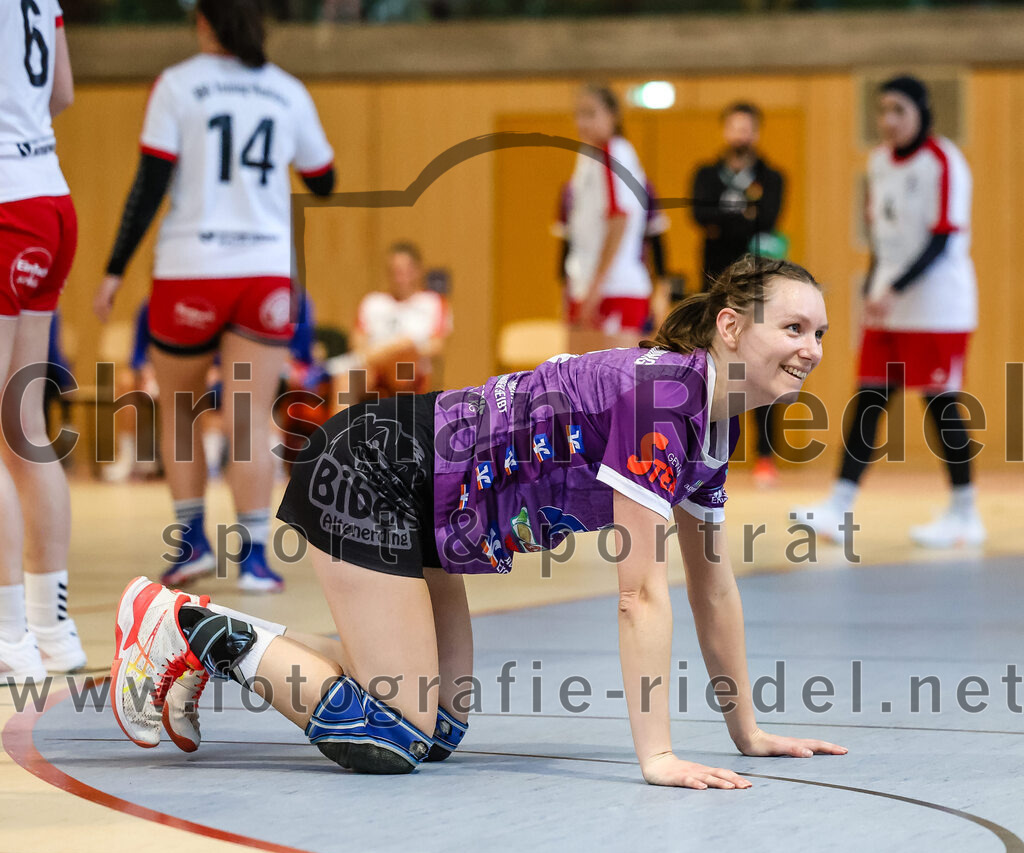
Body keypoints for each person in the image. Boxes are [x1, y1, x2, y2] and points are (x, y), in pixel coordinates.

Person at [112, 255, 847, 788]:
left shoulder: (710, 424)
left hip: (431, 509)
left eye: (818, 331)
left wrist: (744, 730)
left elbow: (711, 588)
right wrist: (656, 755)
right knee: (394, 733)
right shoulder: (664, 398)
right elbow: (641, 593)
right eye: (792, 326)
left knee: (440, 728)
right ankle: (183, 624)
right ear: (729, 326)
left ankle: (202, 636)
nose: (811, 348)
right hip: (377, 468)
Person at [93, 0, 336, 592]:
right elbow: (324, 180)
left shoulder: (177, 84)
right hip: (263, 269)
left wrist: (115, 267)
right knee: (250, 414)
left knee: (179, 407)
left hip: (191, 266)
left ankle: (191, 543)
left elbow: (149, 182)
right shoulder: (287, 90)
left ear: (203, 22)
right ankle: (255, 558)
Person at [793, 76, 984, 549]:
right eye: (882, 111)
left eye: (899, 110)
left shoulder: (943, 161)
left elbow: (943, 238)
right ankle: (839, 505)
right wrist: (877, 288)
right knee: (869, 398)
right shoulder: (878, 163)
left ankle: (965, 512)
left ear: (922, 112)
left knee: (940, 403)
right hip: (886, 305)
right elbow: (882, 238)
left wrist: (894, 286)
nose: (889, 121)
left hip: (937, 305)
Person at [0, 0, 87, 683]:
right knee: (22, 422)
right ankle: (52, 630)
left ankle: (8, 634)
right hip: (51, 200)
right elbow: (62, 92)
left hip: (5, 203)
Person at [691, 103, 786, 487]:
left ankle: (765, 456)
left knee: (762, 364)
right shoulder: (706, 174)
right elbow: (700, 216)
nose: (740, 134)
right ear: (724, 131)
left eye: (747, 128)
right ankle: (703, 450)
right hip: (713, 283)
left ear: (757, 132)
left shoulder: (772, 176)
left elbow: (769, 220)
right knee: (711, 365)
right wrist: (743, 217)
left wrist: (727, 220)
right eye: (734, 127)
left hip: (758, 283)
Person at [564, 85, 661, 353]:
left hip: (615, 289)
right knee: (578, 384)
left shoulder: (615, 153)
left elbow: (620, 221)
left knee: (615, 387)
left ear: (613, 116)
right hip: (589, 286)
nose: (582, 122)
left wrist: (596, 287)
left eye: (590, 113)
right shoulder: (588, 157)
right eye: (578, 114)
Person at [329, 242, 451, 406]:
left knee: (404, 360)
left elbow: (436, 345)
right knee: (347, 380)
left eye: (403, 271)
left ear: (417, 271)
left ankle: (401, 425)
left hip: (410, 370)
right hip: (374, 368)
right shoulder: (373, 303)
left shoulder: (432, 303)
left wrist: (399, 349)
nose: (398, 277)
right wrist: (384, 356)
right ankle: (340, 431)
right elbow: (358, 344)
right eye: (394, 271)